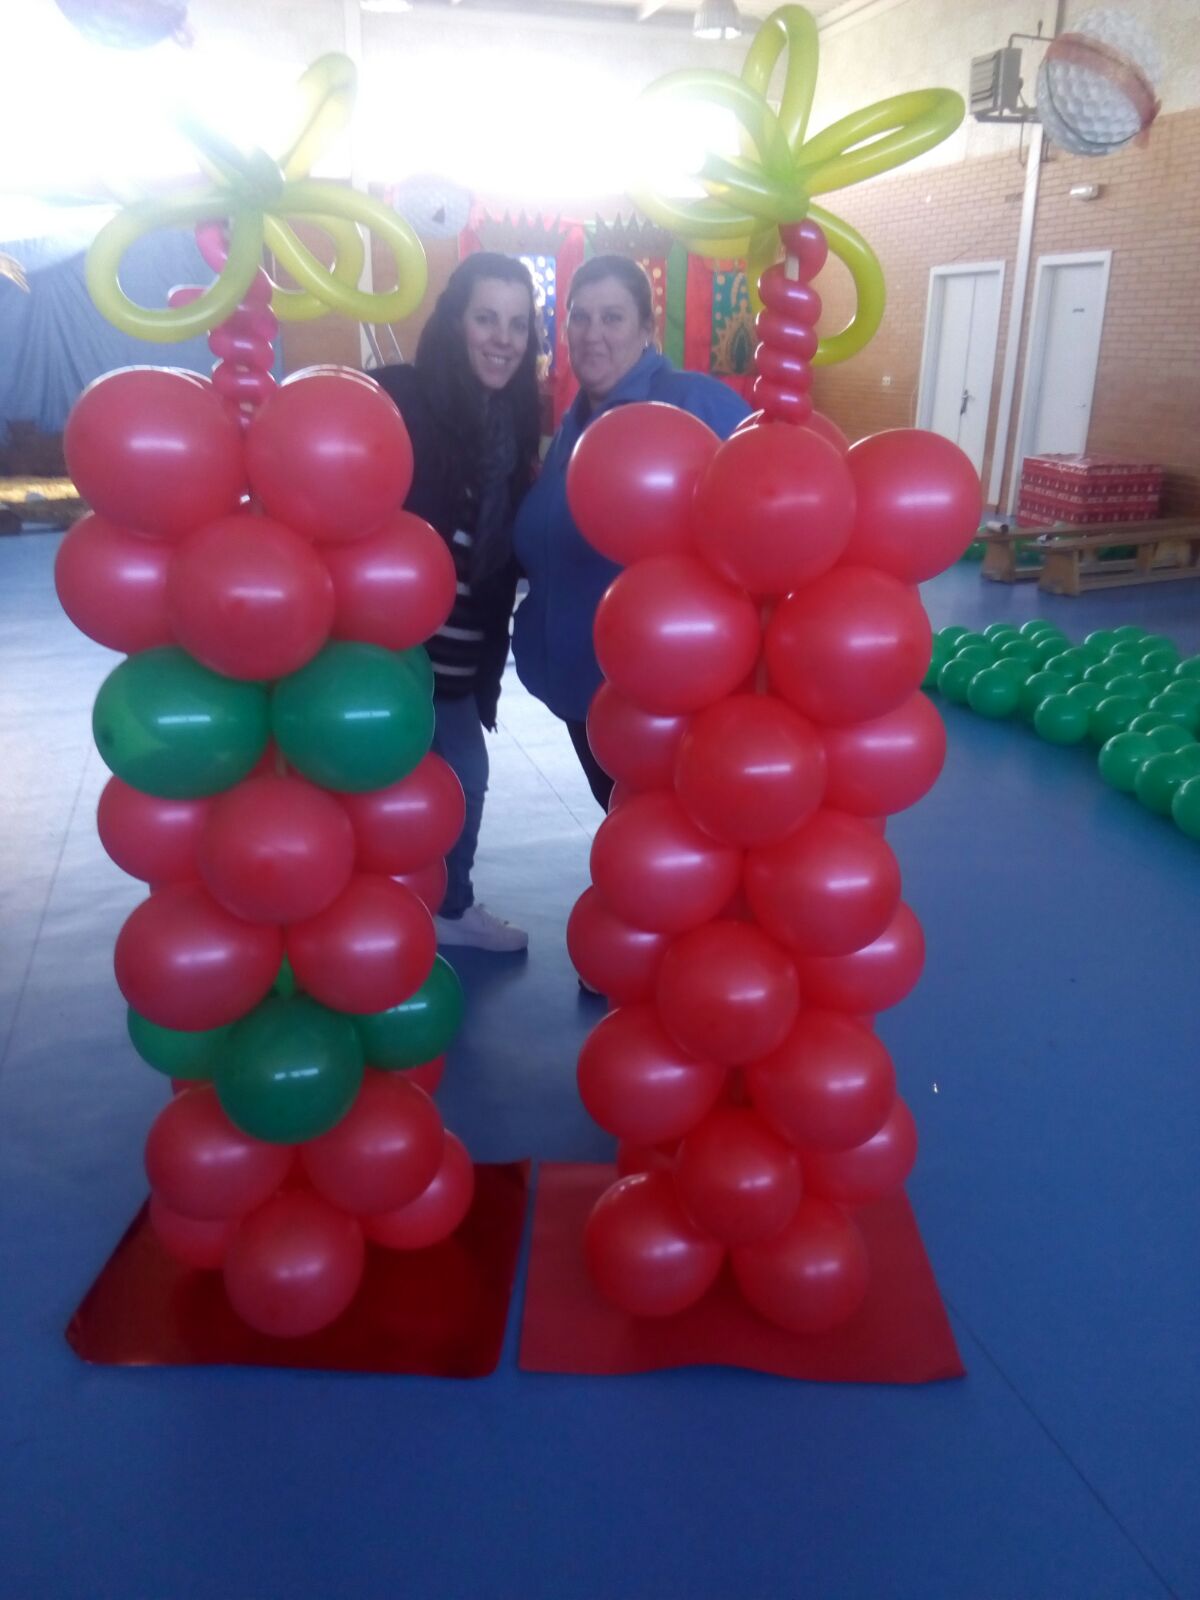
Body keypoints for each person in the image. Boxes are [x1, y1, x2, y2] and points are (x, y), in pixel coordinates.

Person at [511, 254, 751, 810]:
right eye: (580, 317)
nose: (592, 333)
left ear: (647, 327)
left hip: (659, 700)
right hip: (582, 693)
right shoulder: (575, 421)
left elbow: (769, 518)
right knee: (627, 826)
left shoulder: (693, 402)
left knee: (663, 833)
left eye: (612, 317)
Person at [374, 253, 540, 952]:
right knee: (400, 787)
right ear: (455, 322)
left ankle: (443, 905)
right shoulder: (403, 399)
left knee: (462, 781)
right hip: (392, 658)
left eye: (518, 324)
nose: (503, 338)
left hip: (461, 661)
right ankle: (406, 907)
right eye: (486, 318)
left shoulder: (515, 425)